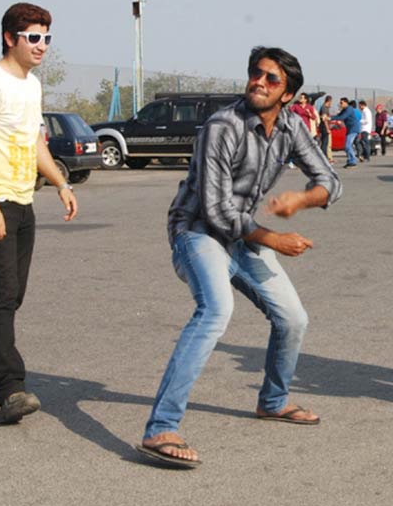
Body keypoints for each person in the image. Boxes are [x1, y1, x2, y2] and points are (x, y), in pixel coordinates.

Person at [138, 47, 342, 468]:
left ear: (288, 95)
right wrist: (274, 238)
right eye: (256, 74)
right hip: (197, 232)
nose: (259, 83)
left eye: (271, 79)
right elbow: (215, 211)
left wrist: (301, 200)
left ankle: (273, 401)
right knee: (215, 310)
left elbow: (330, 181)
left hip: (242, 235)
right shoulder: (222, 126)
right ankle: (161, 427)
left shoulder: (290, 126)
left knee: (293, 318)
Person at [0, 2, 78, 424]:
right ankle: (10, 387)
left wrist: (60, 183)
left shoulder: (31, 85)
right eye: (34, 37)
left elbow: (35, 142)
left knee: (9, 296)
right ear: (11, 38)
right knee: (2, 295)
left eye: (47, 38)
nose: (42, 46)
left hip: (21, 199)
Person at [332, 97, 361, 168]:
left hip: (353, 129)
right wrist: (329, 117)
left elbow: (342, 117)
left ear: (346, 103)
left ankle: (353, 161)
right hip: (350, 129)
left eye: (341, 103)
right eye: (340, 102)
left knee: (347, 146)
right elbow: (338, 116)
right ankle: (350, 161)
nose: (340, 104)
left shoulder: (349, 109)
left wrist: (329, 118)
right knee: (347, 146)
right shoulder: (344, 109)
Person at [318, 95, 334, 162]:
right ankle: (323, 157)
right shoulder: (324, 108)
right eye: (331, 101)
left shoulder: (325, 107)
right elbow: (324, 119)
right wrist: (327, 128)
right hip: (324, 127)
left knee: (325, 143)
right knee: (325, 143)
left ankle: (324, 157)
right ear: (329, 101)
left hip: (324, 127)